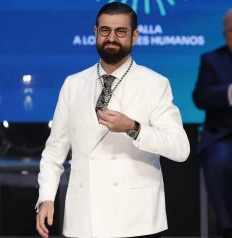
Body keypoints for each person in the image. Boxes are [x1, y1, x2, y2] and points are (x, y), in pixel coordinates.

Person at [35, 2, 190, 238]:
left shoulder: (155, 84)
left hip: (136, 218)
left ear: (134, 36)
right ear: (95, 33)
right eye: (105, 30)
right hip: (83, 218)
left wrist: (134, 128)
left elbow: (180, 148)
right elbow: (55, 150)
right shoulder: (74, 84)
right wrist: (46, 198)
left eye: (121, 31)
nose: (112, 38)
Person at [192, 8, 232, 238]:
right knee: (218, 161)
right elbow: (200, 97)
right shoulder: (212, 60)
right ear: (225, 33)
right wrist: (228, 93)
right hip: (222, 136)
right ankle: (227, 227)